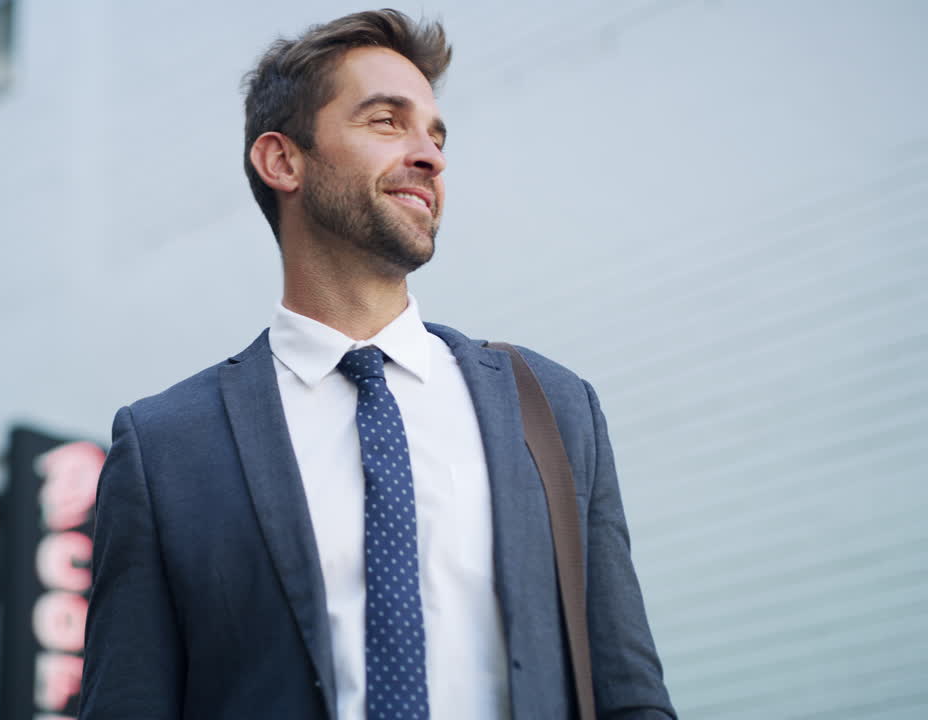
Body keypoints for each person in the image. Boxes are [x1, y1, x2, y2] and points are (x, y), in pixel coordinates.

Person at [79, 9, 675, 720]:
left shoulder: (553, 407)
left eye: (436, 132)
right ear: (283, 161)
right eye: (387, 122)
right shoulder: (165, 448)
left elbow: (630, 696)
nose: (429, 154)